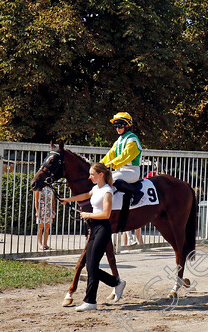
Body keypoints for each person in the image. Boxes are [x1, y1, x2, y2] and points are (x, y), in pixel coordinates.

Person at [60, 162, 126, 311]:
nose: (90, 177)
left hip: (103, 229)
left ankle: (90, 302)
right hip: (94, 228)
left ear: (101, 175)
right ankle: (116, 283)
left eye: (92, 174)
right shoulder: (96, 188)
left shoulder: (107, 191)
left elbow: (106, 214)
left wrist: (88, 214)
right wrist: (69, 200)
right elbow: (86, 195)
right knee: (90, 266)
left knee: (92, 266)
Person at [102, 112, 143, 244]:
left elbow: (126, 156)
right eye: (115, 126)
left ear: (127, 125)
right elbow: (109, 155)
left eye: (120, 125)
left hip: (132, 171)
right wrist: (99, 167)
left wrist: (111, 164)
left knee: (112, 178)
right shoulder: (118, 141)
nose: (117, 128)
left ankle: (137, 193)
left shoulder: (132, 139)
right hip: (120, 170)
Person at [34, 184, 55, 250]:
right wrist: (37, 211)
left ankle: (45, 244)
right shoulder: (38, 189)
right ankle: (40, 244)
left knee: (47, 228)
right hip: (41, 209)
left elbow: (53, 200)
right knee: (41, 227)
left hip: (49, 209)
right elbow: (36, 200)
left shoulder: (51, 188)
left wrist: (53, 210)